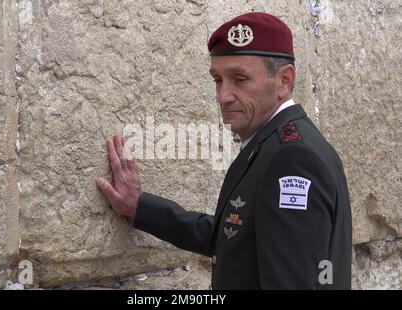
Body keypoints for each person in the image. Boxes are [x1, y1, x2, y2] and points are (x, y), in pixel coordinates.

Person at [96, 12, 352, 289]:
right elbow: (234, 237)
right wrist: (139, 207)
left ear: (284, 81)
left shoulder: (291, 159)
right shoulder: (273, 144)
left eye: (239, 79)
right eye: (218, 80)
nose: (223, 96)